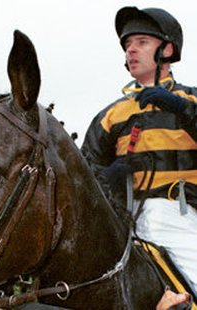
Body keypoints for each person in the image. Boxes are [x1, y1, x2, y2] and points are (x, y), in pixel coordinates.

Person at [81, 6, 197, 293]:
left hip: (186, 213)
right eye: (127, 45)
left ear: (167, 50)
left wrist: (182, 109)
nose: (131, 51)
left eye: (142, 43)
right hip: (132, 221)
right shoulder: (111, 116)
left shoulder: (192, 98)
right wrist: (108, 177)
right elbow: (85, 175)